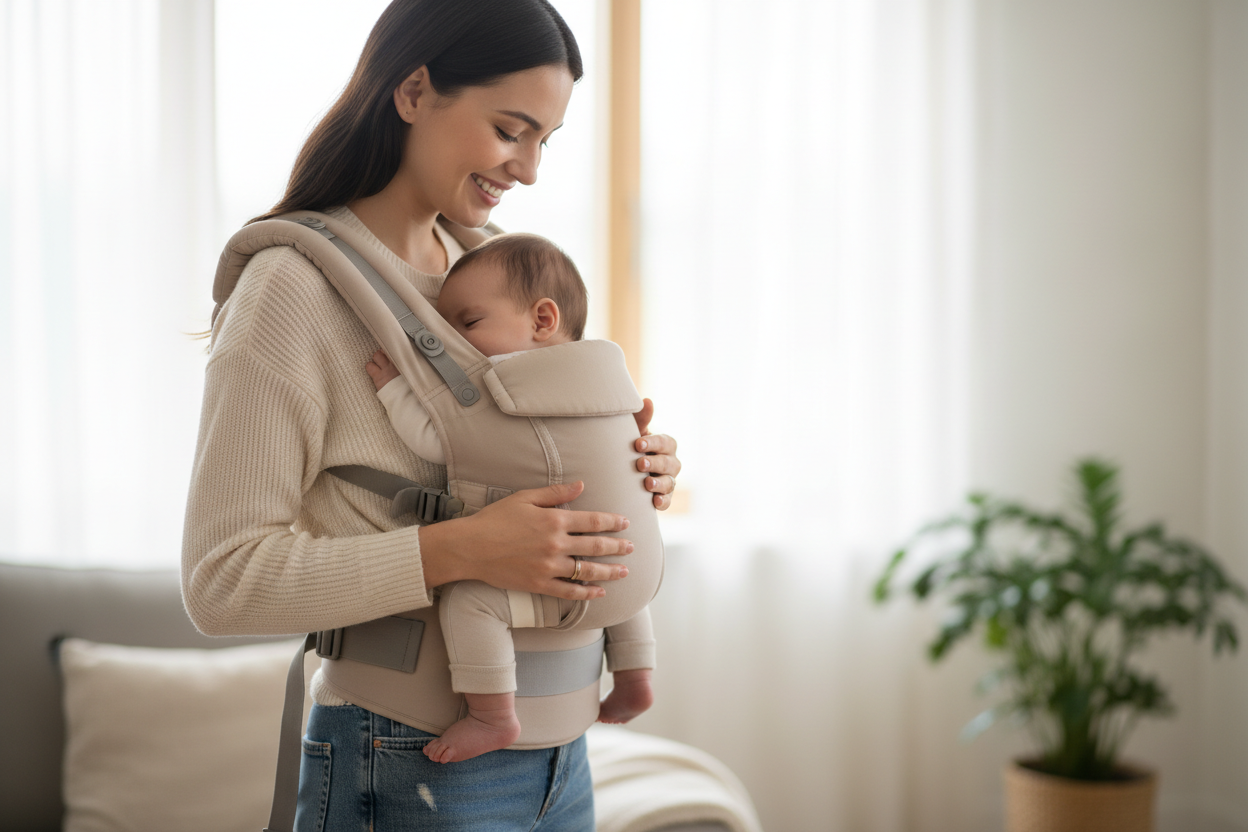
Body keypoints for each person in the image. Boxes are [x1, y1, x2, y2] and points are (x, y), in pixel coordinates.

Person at [181, 1, 680, 829]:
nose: (528, 170)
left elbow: (522, 464)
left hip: (565, 755)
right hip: (406, 751)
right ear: (414, 91)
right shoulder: (290, 294)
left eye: (545, 141)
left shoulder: (496, 279)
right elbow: (221, 582)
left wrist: (632, 468)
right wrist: (465, 547)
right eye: (511, 130)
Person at [366, 232, 658, 764]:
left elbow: (439, 442)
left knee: (468, 601)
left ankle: (491, 715)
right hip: (638, 579)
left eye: (467, 323)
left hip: (563, 582)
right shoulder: (608, 384)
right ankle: (637, 677)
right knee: (616, 556)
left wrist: (394, 389)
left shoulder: (510, 390)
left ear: (542, 321)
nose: (450, 342)